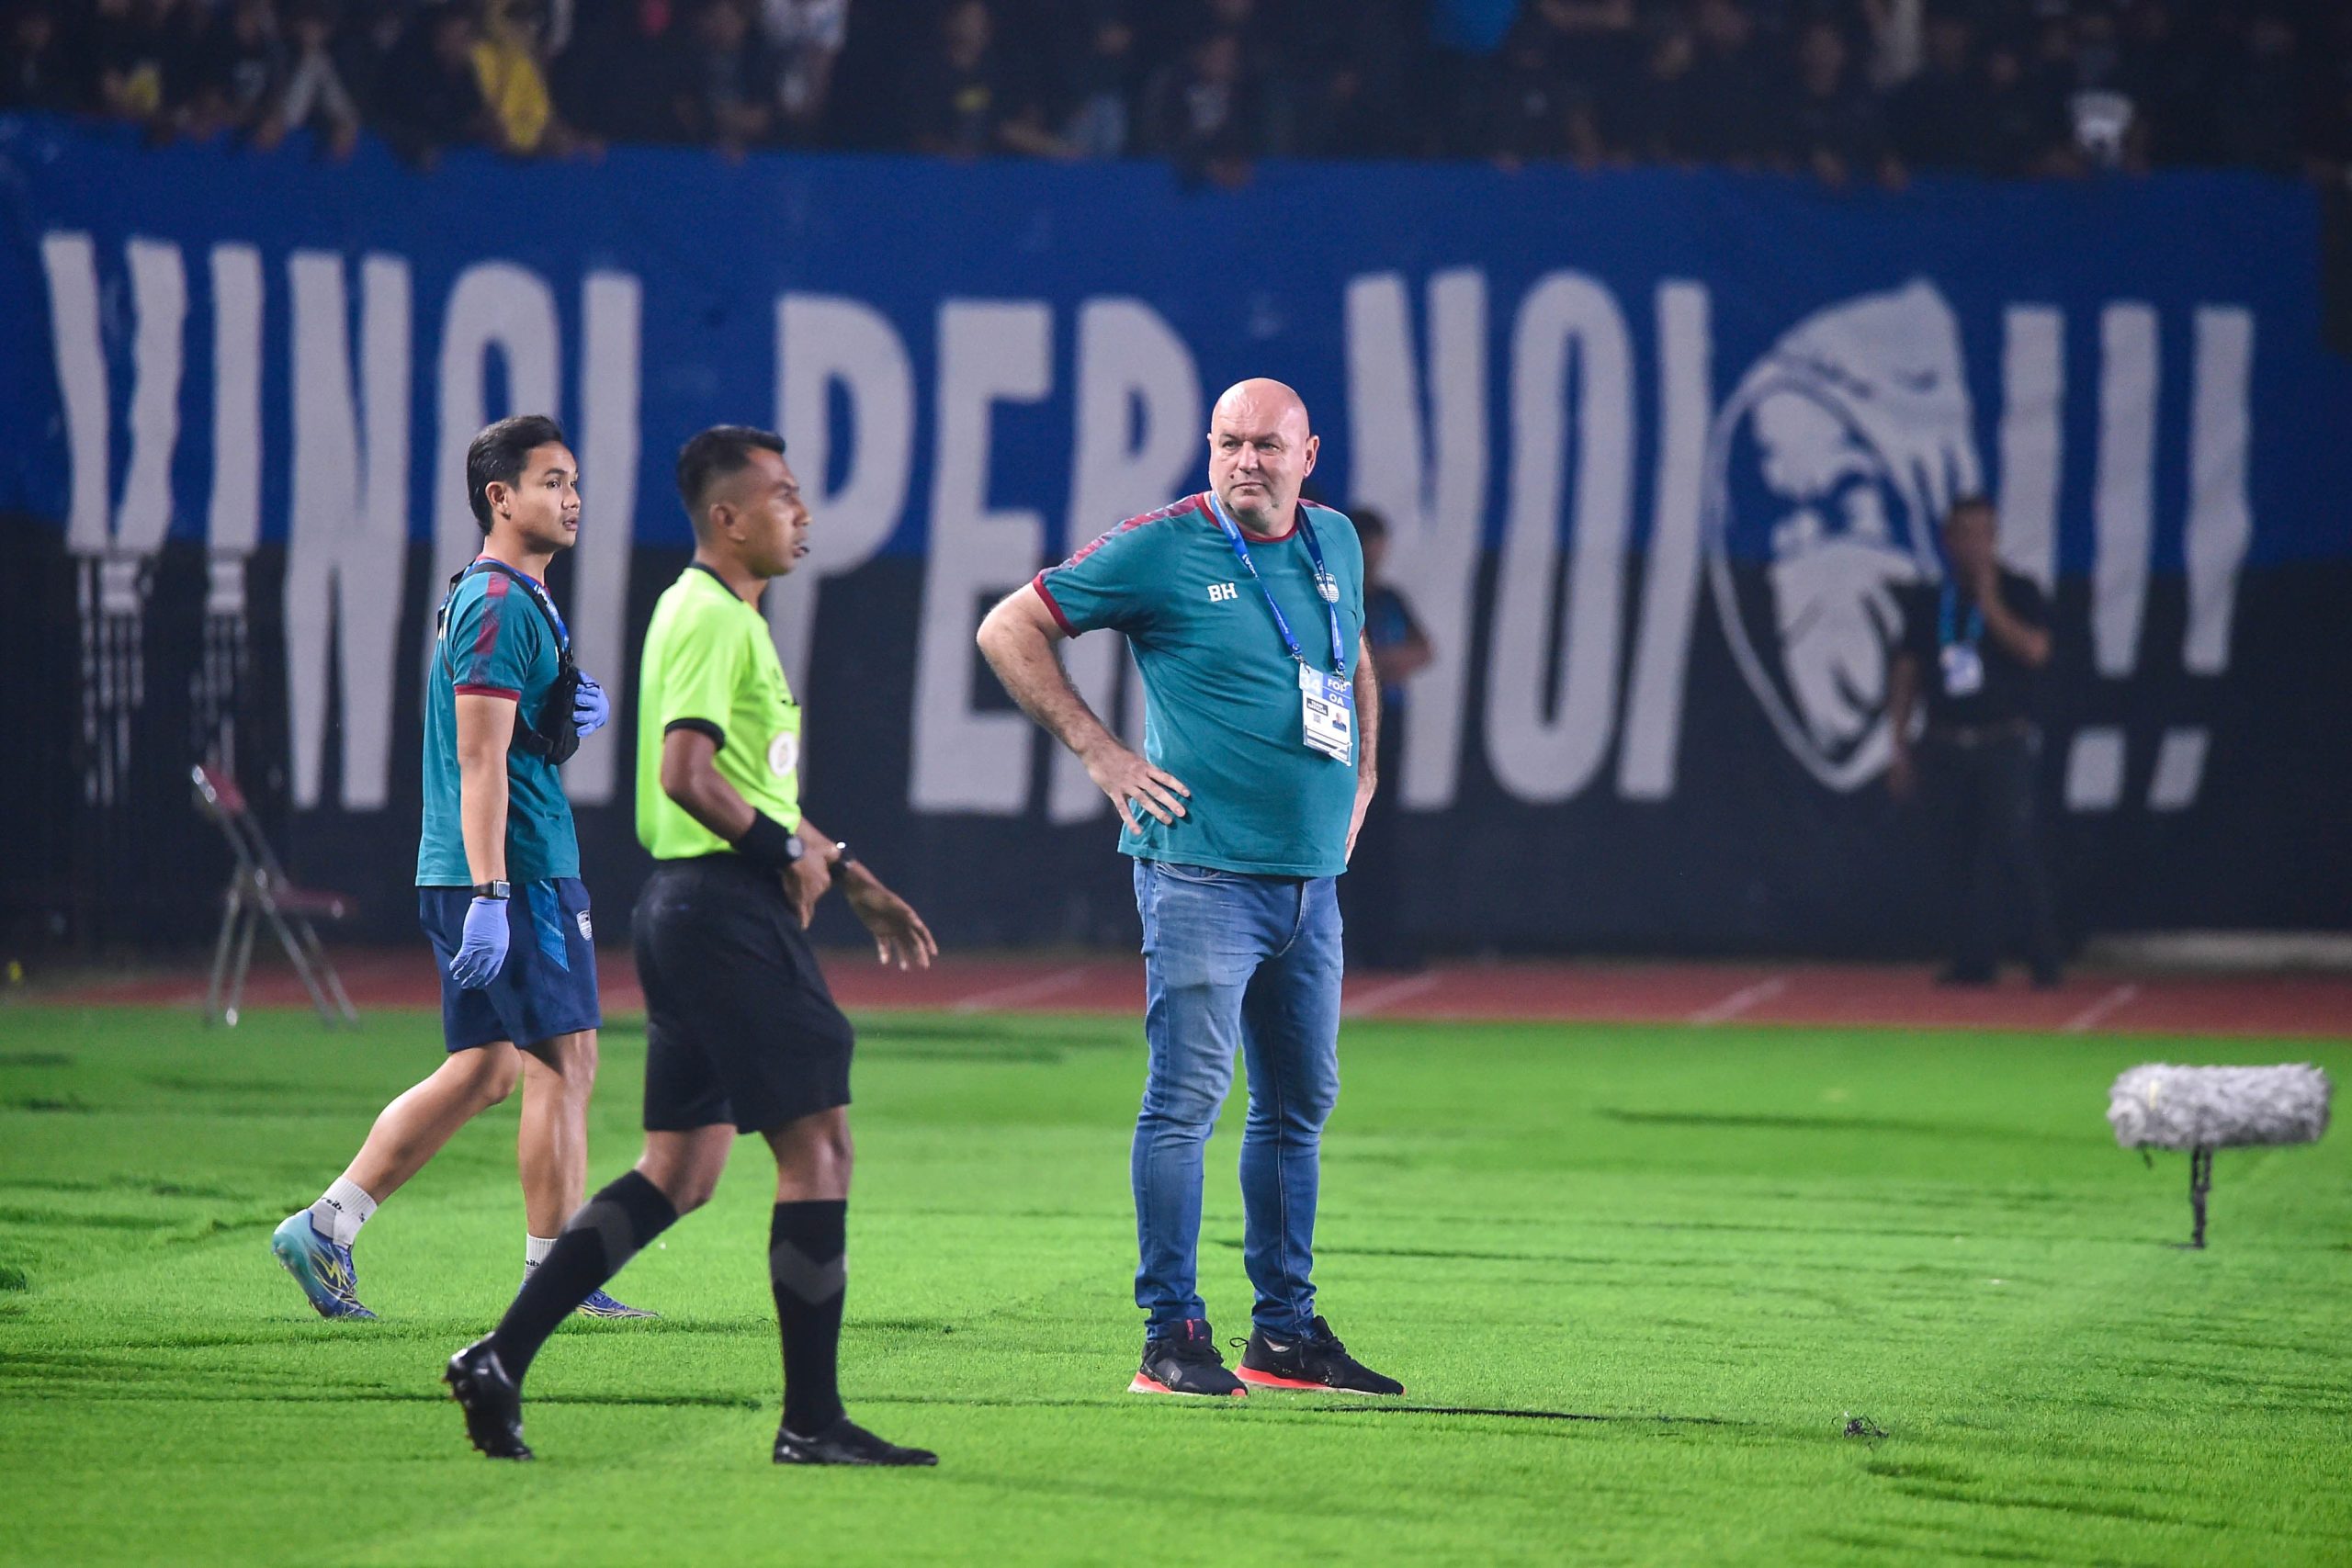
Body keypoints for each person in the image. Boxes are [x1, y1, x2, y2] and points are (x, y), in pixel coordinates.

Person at [445, 426, 941, 1467]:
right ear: (728, 516)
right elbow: (686, 776)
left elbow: (749, 789)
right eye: (783, 496)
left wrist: (842, 871)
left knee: (680, 1169)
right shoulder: (713, 616)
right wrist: (780, 856)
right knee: (820, 1148)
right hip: (724, 913)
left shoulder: (712, 616)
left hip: (687, 912)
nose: (800, 514)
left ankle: (499, 1354)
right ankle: (811, 1421)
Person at [976, 378, 1404, 1401]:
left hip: (1310, 882)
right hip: (1201, 873)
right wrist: (1101, 754)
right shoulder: (1161, 544)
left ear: (1309, 454)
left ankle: (1285, 1336)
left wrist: (1367, 773)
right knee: (1186, 1104)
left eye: (1265, 444)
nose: (1244, 461)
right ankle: (1169, 1336)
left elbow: (1353, 663)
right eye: (1226, 442)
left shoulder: (1332, 541)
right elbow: (1006, 628)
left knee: (1298, 1108)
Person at [270, 415, 649, 1322]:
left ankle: (327, 1224)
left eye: (574, 481)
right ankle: (555, 1282)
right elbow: (479, 763)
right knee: (565, 1062)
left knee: (487, 1068)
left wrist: (559, 719)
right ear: (500, 496)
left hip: (487, 868)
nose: (572, 498)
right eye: (551, 482)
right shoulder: (497, 601)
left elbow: (507, 748)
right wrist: (492, 893)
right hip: (511, 872)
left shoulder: (516, 598)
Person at [1886, 496, 2064, 988]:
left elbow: (2035, 650)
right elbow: (1908, 671)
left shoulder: (2018, 590)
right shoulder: (1931, 600)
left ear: (1995, 538)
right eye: (1963, 534)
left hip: (2002, 739)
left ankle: (2042, 957)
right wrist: (1898, 743)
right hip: (1946, 740)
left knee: (2014, 846)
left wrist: (1990, 604)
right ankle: (1973, 959)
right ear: (1947, 540)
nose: (1973, 544)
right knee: (1956, 853)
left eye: (1982, 533)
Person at [1340, 508, 1432, 972]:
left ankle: (1382, 939)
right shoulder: (1337, 595)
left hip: (1387, 729)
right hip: (1340, 729)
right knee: (1342, 834)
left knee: (1381, 836)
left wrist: (1386, 662)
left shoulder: (1389, 598)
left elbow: (1423, 649)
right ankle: (1346, 939)